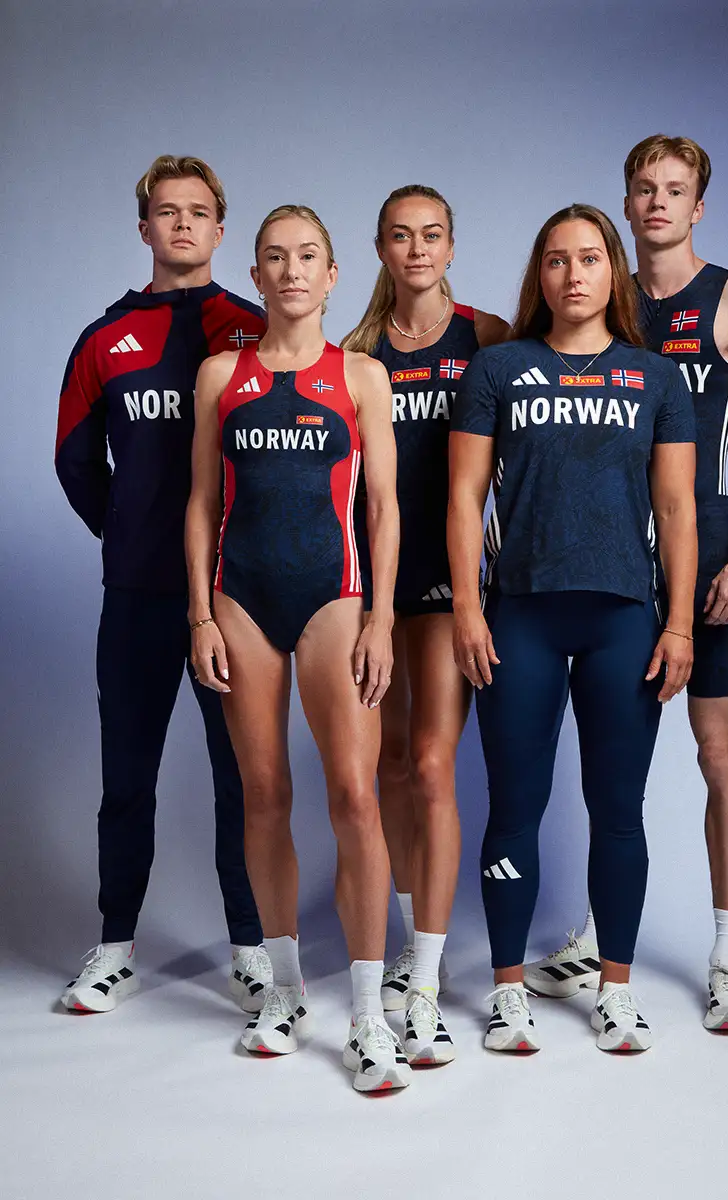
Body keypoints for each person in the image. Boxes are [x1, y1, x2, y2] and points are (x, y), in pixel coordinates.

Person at [524, 135, 728, 1036]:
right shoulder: (599, 291)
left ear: (698, 205)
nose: (660, 203)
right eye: (645, 189)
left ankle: (726, 958)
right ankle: (602, 934)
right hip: (606, 551)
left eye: (677, 190)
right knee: (613, 765)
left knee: (719, 750)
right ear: (625, 204)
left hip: (701, 542)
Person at [448, 203, 697, 1054]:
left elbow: (677, 508)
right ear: (540, 276)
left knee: (616, 809)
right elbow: (462, 497)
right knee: (514, 806)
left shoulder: (655, 378)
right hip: (519, 612)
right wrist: (470, 607)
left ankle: (616, 991)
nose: (574, 273)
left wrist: (682, 626)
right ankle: (509, 989)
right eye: (557, 260)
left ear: (613, 272)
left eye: (590, 257)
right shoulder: (499, 368)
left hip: (626, 617)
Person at [185, 204, 409, 1093]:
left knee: (355, 796)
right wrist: (200, 615)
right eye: (274, 258)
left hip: (335, 598)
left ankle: (365, 1015)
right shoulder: (218, 376)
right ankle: (284, 991)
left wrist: (383, 617)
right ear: (258, 270)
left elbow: (383, 508)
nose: (290, 272)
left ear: (331, 274)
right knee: (265, 792)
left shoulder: (360, 375)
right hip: (241, 597)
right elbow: (202, 502)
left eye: (306, 257)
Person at [53, 155, 270, 1016]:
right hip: (139, 595)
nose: (182, 224)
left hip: (239, 597)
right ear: (143, 228)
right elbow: (74, 457)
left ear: (221, 228)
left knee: (244, 777)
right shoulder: (105, 338)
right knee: (127, 776)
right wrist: (132, 531)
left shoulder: (258, 330)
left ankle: (252, 949)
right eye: (166, 212)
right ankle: (114, 946)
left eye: (199, 212)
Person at [341, 185, 509, 1064]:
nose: (416, 249)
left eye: (431, 235)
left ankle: (432, 983)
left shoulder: (485, 338)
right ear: (379, 247)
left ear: (452, 244)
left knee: (438, 763)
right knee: (394, 766)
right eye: (400, 237)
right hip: (374, 584)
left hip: (453, 582)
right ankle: (408, 948)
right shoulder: (358, 351)